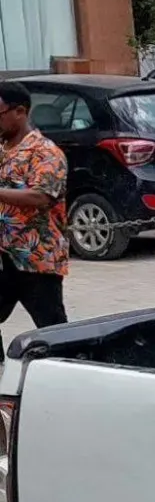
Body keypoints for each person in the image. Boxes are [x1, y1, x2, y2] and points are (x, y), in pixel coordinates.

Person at [0, 83, 69, 332]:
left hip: (37, 257)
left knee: (52, 328)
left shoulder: (45, 152)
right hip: (5, 255)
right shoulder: (2, 150)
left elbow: (41, 197)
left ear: (19, 111)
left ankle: (68, 367)